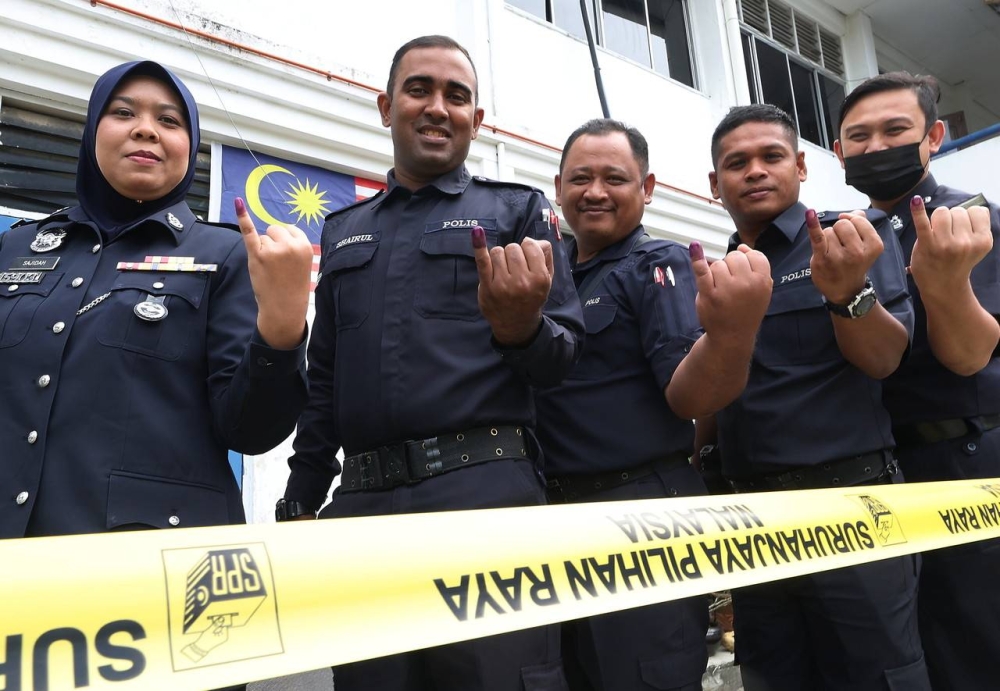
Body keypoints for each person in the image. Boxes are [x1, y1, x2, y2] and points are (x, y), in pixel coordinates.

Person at [278, 36, 583, 690]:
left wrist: (521, 326)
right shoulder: (342, 230)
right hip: (361, 511)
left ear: (477, 119)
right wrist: (301, 497)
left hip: (484, 504)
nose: (438, 107)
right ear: (386, 106)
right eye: (419, 89)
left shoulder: (518, 210)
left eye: (457, 95)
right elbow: (324, 377)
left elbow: (564, 357)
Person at [0, 60, 312, 539]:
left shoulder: (227, 255)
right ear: (92, 131)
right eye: (123, 113)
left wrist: (284, 320)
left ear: (190, 146)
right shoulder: (17, 248)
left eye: (169, 120)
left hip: (151, 569)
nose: (146, 130)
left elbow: (249, 432)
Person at [534, 118, 771, 691]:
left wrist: (729, 335)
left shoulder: (656, 266)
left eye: (614, 177)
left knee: (644, 676)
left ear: (647, 188)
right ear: (558, 185)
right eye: (579, 177)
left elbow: (693, 395)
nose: (594, 191)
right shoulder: (545, 273)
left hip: (639, 514)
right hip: (548, 522)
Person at [703, 104, 931, 690]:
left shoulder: (850, 238)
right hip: (753, 522)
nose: (755, 171)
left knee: (881, 678)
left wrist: (847, 293)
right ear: (714, 184)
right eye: (737, 163)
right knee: (772, 679)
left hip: (854, 511)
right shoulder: (715, 274)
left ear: (801, 167)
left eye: (771, 157)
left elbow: (885, 359)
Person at [835, 72, 1000, 691]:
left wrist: (946, 281)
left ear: (933, 136)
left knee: (978, 646)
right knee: (907, 655)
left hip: (970, 463)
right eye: (859, 136)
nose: (876, 148)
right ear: (839, 152)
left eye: (894, 130)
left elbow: (968, 356)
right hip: (880, 475)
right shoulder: (844, 241)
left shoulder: (972, 220)